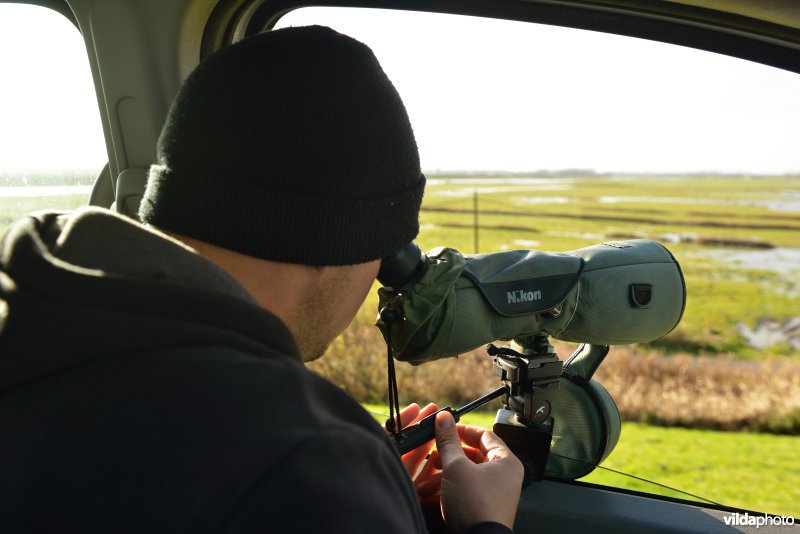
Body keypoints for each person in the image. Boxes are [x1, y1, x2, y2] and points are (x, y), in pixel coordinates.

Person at [0, 26, 522, 532]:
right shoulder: (304, 465)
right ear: (331, 243)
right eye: (384, 252)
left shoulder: (29, 320)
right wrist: (483, 524)